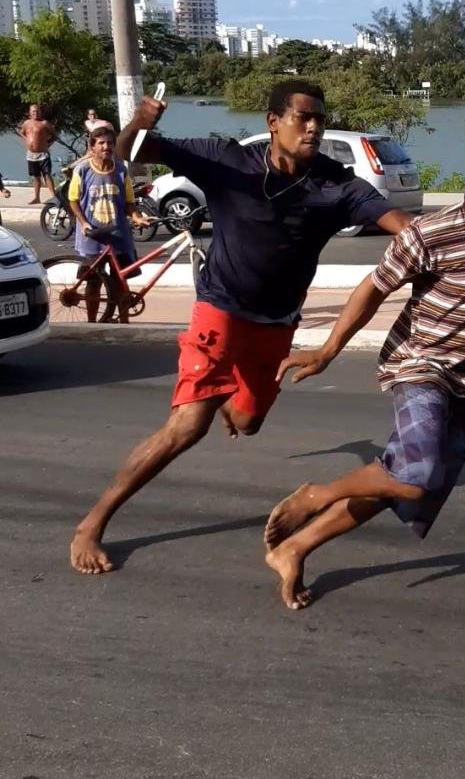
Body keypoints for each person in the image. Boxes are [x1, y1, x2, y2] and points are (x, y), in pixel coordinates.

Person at [70, 79, 413, 576]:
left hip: (276, 323)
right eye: (303, 118)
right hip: (221, 308)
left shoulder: (335, 185)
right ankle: (93, 523)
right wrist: (140, 123)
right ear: (273, 122)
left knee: (248, 421)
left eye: (320, 117)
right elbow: (132, 154)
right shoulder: (227, 160)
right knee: (189, 425)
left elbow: (403, 226)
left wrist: (455, 243)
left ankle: (226, 395)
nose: (314, 126)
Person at [263, 118, 465, 611]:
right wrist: (328, 350)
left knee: (402, 486)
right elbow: (374, 288)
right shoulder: (432, 233)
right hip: (421, 365)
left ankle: (294, 548)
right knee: (415, 472)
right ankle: (315, 494)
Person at [68, 123, 146, 324]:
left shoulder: (121, 171)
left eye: (110, 143)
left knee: (121, 282)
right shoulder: (83, 170)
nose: (106, 147)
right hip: (92, 236)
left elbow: (129, 202)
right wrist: (84, 223)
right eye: (101, 143)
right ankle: (92, 323)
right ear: (92, 147)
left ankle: (125, 322)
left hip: (118, 235)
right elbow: (73, 200)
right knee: (93, 282)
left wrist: (136, 217)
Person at [17, 103, 56, 204]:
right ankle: (37, 197)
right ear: (30, 113)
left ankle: (54, 196)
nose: (35, 113)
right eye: (33, 111)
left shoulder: (44, 123)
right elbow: (22, 132)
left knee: (47, 175)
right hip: (31, 155)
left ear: (40, 112)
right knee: (35, 177)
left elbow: (54, 135)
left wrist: (49, 144)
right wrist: (27, 140)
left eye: (37, 111)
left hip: (43, 154)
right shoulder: (26, 123)